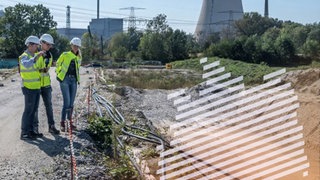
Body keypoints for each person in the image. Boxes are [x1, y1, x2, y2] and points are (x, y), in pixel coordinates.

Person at [33, 33, 60, 135]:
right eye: (48, 44)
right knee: (35, 107)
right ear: (41, 43)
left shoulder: (50, 55)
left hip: (46, 84)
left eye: (50, 45)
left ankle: (51, 126)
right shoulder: (34, 54)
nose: (49, 47)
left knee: (49, 105)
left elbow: (47, 69)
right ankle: (35, 129)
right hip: (36, 84)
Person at [19, 35, 44, 140]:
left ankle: (32, 131)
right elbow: (27, 65)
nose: (36, 48)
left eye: (37, 46)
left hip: (36, 87)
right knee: (28, 110)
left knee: (34, 110)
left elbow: (36, 70)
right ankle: (24, 132)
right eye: (35, 45)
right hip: (28, 88)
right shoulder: (24, 56)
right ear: (29, 45)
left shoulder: (34, 56)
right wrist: (36, 57)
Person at [56, 37, 82, 132]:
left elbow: (77, 68)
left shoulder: (79, 57)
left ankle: (70, 123)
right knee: (66, 102)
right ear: (71, 45)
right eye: (74, 46)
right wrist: (59, 75)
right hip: (65, 80)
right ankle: (63, 123)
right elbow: (58, 64)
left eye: (77, 46)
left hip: (74, 80)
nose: (76, 47)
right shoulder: (65, 54)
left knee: (71, 103)